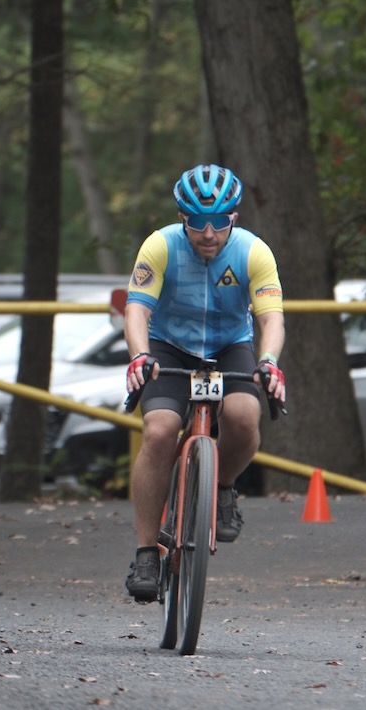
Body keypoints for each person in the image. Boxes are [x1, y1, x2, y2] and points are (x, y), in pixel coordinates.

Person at [122, 164, 286, 602]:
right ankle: (145, 553)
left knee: (244, 417)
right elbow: (137, 309)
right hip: (170, 346)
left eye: (218, 222)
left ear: (234, 217)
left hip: (229, 345)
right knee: (159, 431)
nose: (208, 234)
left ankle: (224, 484)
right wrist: (140, 355)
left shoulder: (253, 252)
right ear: (182, 218)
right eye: (197, 222)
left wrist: (269, 361)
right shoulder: (160, 246)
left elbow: (271, 318)